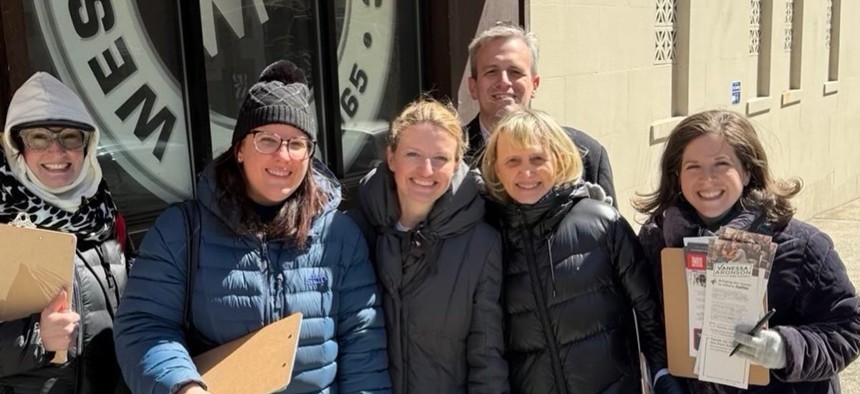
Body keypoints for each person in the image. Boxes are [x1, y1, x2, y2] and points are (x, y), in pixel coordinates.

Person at [113, 60, 390, 394]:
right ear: (240, 149)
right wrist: (181, 385)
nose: (283, 156)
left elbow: (363, 347)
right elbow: (143, 325)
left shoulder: (339, 236)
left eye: (296, 143)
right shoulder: (182, 231)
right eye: (267, 140)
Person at [634, 109, 860, 393]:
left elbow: (848, 328)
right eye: (693, 166)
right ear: (676, 174)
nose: (707, 179)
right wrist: (661, 374)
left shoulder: (803, 246)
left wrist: (785, 350)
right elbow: (646, 322)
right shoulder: (656, 242)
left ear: (747, 171)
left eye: (721, 164)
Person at [480, 107, 684, 393]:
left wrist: (662, 374)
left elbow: (648, 312)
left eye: (537, 158)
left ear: (560, 159)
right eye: (512, 160)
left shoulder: (602, 223)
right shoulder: (490, 237)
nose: (526, 172)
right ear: (496, 168)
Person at [350, 98, 507, 393]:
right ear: (391, 158)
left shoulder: (481, 245)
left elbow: (487, 358)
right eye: (413, 154)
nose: (426, 170)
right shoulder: (356, 233)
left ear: (457, 164)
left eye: (440, 158)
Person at [0, 72, 128, 393]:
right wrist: (36, 337)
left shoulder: (104, 215)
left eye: (70, 136)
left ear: (88, 144)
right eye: (39, 137)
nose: (56, 153)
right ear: (17, 146)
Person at [465, 21, 616, 207]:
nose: (504, 82)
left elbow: (610, 233)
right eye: (491, 71)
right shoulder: (448, 159)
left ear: (534, 84)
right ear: (473, 87)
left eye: (515, 71)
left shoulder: (585, 154)